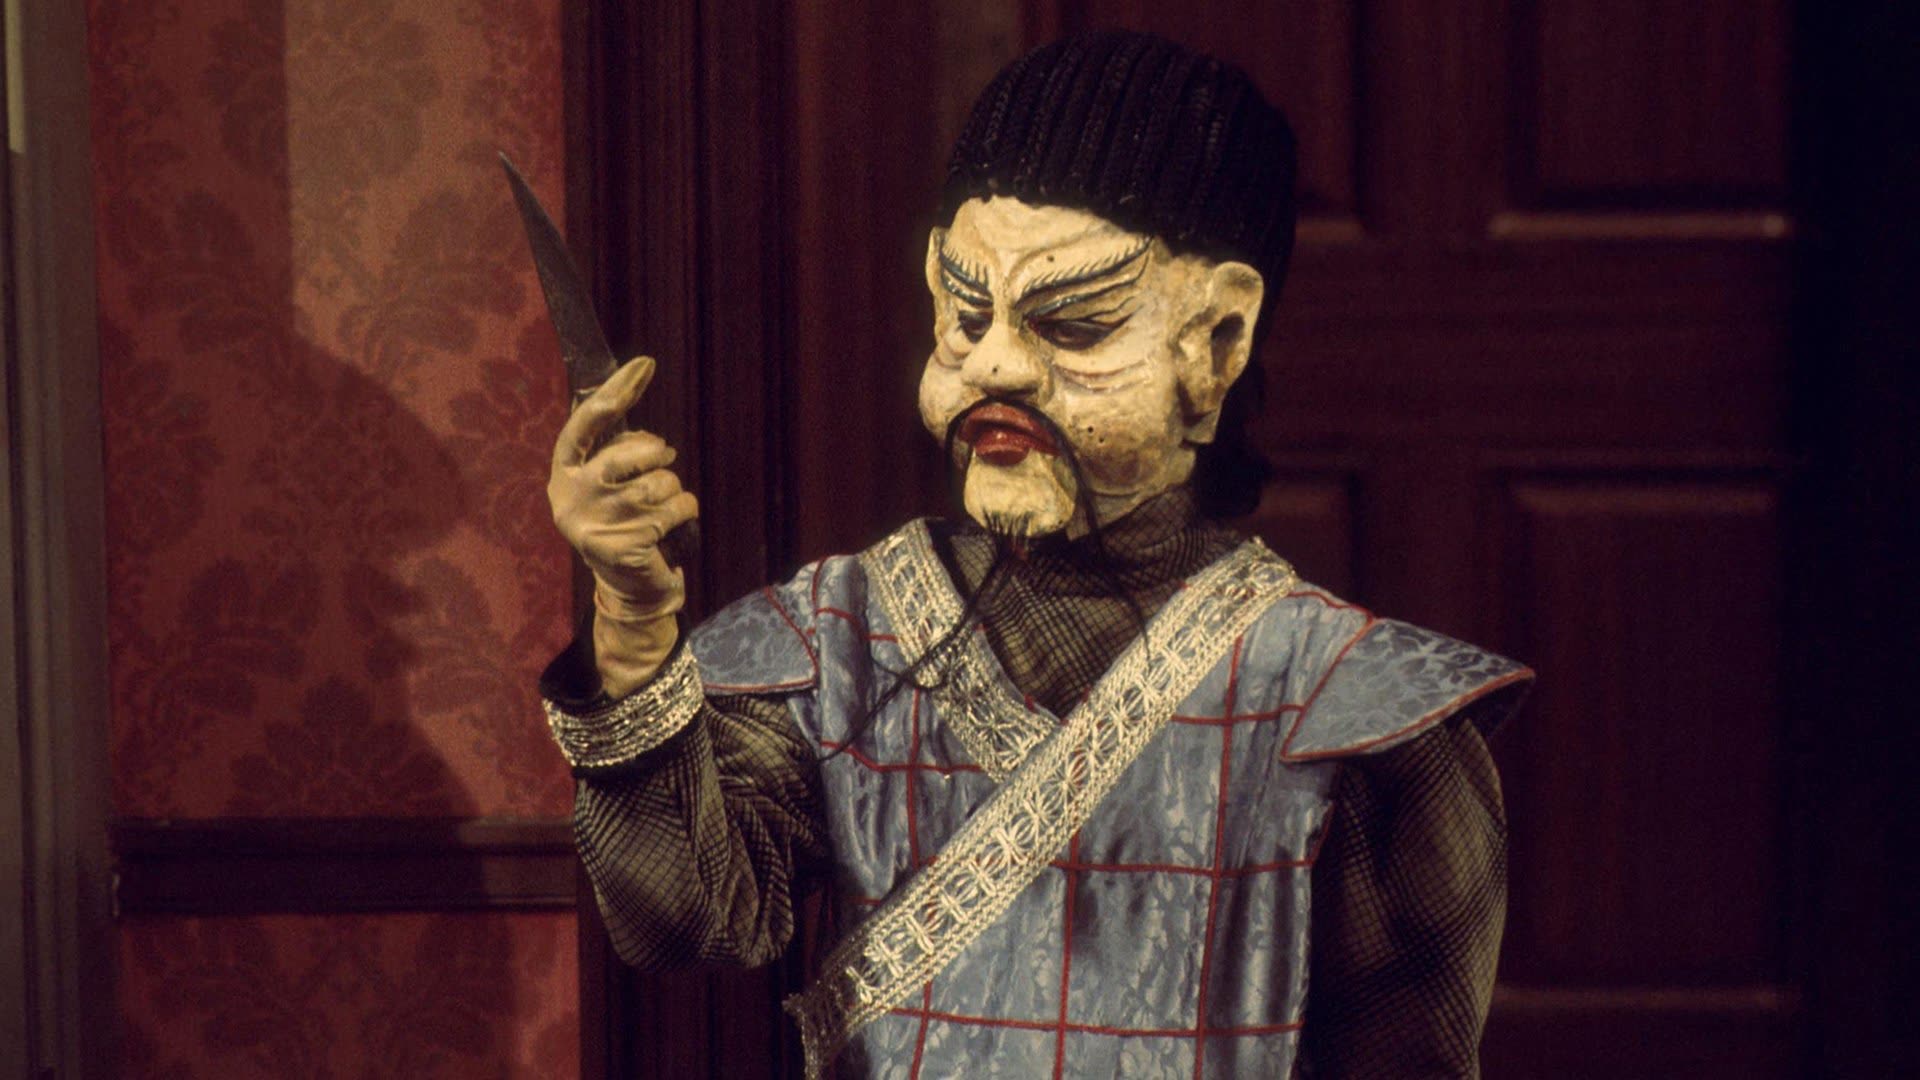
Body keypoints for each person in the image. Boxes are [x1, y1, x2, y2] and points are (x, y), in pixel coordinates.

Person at [540, 31, 1532, 1079]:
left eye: (1074, 324)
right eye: (967, 316)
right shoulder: (842, 633)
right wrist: (634, 623)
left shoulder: (1355, 713)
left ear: (1217, 344)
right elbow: (684, 920)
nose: (996, 368)